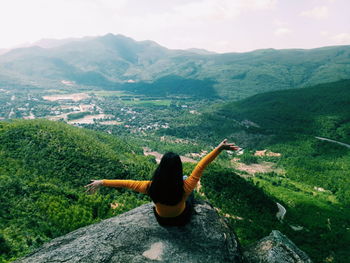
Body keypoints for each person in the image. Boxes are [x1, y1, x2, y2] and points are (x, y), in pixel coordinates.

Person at [84, 139, 239, 226]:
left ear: (161, 168)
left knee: (183, 184)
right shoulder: (185, 187)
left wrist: (102, 182)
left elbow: (125, 183)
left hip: (162, 221)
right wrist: (219, 148)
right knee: (188, 186)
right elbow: (201, 165)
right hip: (181, 218)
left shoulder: (150, 186)